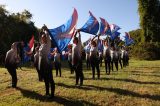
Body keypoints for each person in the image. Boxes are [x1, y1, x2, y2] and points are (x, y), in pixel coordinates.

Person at [38, 27, 55, 98]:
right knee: (45, 79)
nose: (43, 38)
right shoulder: (42, 45)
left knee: (50, 79)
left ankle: (52, 94)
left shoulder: (48, 44)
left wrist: (46, 29)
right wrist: (42, 31)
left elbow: (47, 36)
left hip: (47, 64)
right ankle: (47, 92)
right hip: (42, 63)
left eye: (44, 37)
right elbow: (40, 37)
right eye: (42, 38)